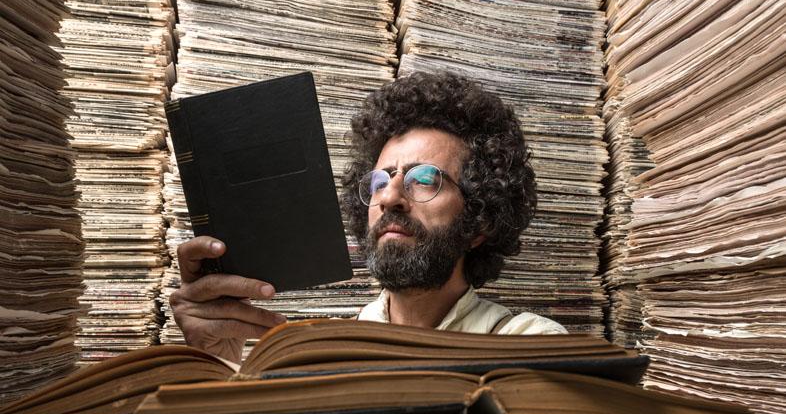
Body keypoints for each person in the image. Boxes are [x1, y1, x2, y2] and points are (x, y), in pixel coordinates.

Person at [171, 71, 566, 364]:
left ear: (480, 222)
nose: (390, 196)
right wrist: (216, 361)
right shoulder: (317, 356)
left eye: (424, 179)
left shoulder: (532, 345)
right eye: (379, 180)